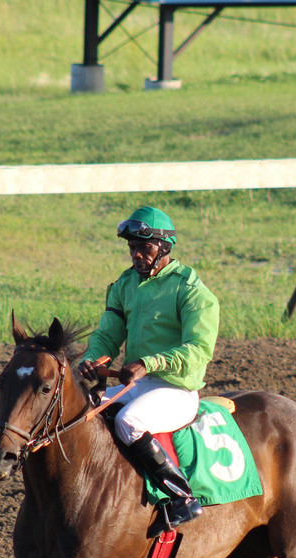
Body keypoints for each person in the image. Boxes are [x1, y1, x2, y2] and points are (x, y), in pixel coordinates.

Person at [78, 206, 220, 537]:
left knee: (129, 422)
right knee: (84, 411)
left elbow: (199, 350)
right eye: (132, 248)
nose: (137, 255)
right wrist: (94, 358)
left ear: (164, 247)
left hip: (176, 391)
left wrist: (148, 364)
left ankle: (182, 498)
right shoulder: (125, 284)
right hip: (138, 385)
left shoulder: (192, 291)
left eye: (144, 248)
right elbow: (108, 334)